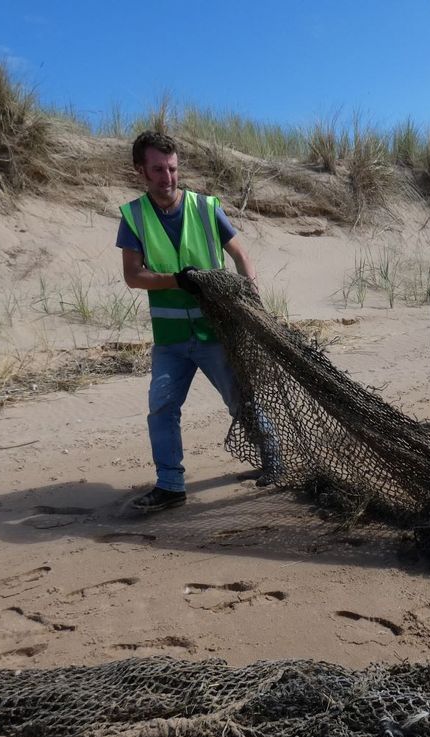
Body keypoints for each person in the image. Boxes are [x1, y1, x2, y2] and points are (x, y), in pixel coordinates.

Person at [117, 130, 280, 513]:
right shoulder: (134, 217)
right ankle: (170, 486)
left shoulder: (206, 208)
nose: (167, 177)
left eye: (172, 168)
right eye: (157, 169)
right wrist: (177, 280)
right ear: (141, 170)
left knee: (241, 400)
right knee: (161, 407)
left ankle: (274, 460)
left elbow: (241, 255)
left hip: (215, 332)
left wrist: (252, 297)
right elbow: (132, 276)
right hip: (171, 338)